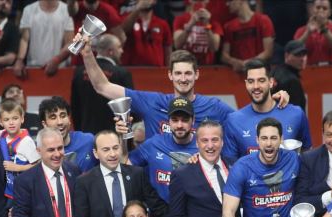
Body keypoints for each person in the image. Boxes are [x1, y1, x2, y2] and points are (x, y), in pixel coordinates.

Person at [78, 35, 288, 139]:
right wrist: (87, 54)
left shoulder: (214, 107)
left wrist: (272, 101)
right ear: (170, 75)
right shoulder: (153, 102)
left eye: (188, 73)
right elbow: (102, 86)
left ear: (197, 74)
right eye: (178, 73)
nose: (183, 79)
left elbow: (248, 123)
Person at [222, 59, 311, 161]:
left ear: (271, 82)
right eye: (251, 81)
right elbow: (231, 165)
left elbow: (307, 156)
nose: (256, 86)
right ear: (246, 84)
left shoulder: (296, 114)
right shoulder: (234, 121)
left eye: (261, 80)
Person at [120, 97, 198, 203]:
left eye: (184, 120)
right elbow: (124, 165)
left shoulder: (202, 146)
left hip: (193, 208)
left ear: (193, 120)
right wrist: (122, 135)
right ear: (168, 121)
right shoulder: (154, 143)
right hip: (160, 209)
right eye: (175, 120)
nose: (179, 125)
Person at [71, 33, 133, 134]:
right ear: (110, 51)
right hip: (114, 134)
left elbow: (75, 107)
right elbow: (129, 108)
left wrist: (80, 133)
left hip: (86, 132)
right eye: (119, 47)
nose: (122, 51)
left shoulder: (79, 72)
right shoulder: (122, 73)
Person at [13, 0, 74, 78]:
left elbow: (69, 43)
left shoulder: (67, 10)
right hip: (33, 67)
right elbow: (24, 39)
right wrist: (20, 60)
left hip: (60, 69)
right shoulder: (28, 10)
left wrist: (57, 60)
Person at [39, 96, 97, 173]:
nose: (60, 122)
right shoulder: (39, 150)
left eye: (63, 116)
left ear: (69, 119)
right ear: (44, 124)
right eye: (53, 117)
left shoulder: (88, 141)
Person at [221, 0, 275, 72]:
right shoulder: (229, 26)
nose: (227, 4)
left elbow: (268, 52)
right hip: (238, 72)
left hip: (259, 71)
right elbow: (224, 55)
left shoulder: (263, 20)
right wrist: (233, 61)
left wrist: (249, 63)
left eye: (230, 1)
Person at [120, 0, 172, 66]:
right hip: (131, 69)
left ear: (155, 1)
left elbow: (168, 52)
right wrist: (138, 8)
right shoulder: (126, 18)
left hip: (157, 70)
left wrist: (168, 70)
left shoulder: (162, 24)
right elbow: (122, 31)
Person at [293, 0, 332, 65]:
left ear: (329, 12)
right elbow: (294, 50)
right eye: (318, 8)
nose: (321, 10)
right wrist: (308, 32)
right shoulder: (301, 30)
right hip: (308, 68)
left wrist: (325, 30)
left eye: (324, 8)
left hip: (331, 68)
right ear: (313, 10)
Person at [173, 0, 223, 66]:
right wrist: (191, 24)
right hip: (186, 66)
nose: (199, 3)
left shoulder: (213, 21)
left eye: (202, 1)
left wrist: (207, 24)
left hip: (207, 67)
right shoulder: (180, 19)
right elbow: (177, 45)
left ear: (207, 1)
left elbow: (214, 48)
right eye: (196, 1)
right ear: (190, 1)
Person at [271, 40, 307, 111]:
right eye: (298, 55)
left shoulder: (274, 72)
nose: (302, 59)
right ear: (286, 55)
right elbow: (295, 112)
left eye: (304, 54)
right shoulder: (292, 81)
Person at [0, 0, 19, 72]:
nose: (4, 3)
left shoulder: (12, 28)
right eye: (1, 0)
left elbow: (11, 58)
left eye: (8, 2)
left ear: (11, 8)